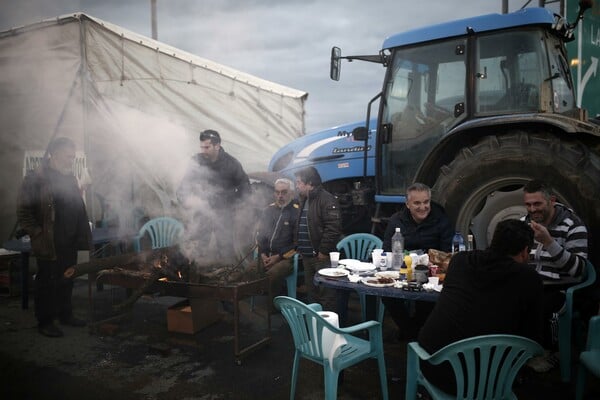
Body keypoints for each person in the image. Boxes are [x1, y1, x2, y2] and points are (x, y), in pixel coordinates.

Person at [417, 219, 544, 395]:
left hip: (435, 367)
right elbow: (534, 336)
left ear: (494, 242)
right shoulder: (529, 278)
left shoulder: (459, 261)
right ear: (524, 252)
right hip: (492, 380)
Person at [16, 137, 92, 337]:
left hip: (70, 240)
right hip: (49, 241)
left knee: (67, 279)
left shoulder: (69, 177)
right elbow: (24, 212)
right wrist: (37, 233)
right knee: (47, 282)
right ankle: (45, 321)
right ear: (55, 154)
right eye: (68, 157)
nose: (71, 161)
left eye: (73, 157)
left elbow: (75, 205)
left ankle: (65, 314)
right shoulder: (36, 179)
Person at [521, 179, 589, 372]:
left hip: (561, 287)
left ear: (551, 200)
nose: (532, 209)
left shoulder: (573, 226)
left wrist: (549, 243)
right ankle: (518, 349)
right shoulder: (524, 222)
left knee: (541, 305)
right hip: (531, 283)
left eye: (537, 204)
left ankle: (552, 353)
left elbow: (579, 270)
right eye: (528, 204)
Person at [381, 182, 454, 337]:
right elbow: (387, 248)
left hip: (431, 273)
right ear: (407, 204)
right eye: (417, 203)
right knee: (386, 293)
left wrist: (431, 262)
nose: (423, 207)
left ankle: (412, 331)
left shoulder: (441, 219)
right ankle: (410, 330)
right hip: (402, 270)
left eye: (426, 202)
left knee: (427, 300)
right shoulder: (396, 220)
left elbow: (447, 252)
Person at [177, 129, 250, 260]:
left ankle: (226, 273)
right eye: (201, 147)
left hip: (224, 213)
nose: (203, 150)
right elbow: (184, 185)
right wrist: (186, 200)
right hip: (202, 212)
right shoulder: (196, 161)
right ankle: (194, 274)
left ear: (217, 146)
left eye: (207, 147)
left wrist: (235, 203)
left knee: (225, 247)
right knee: (197, 246)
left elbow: (245, 186)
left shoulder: (231, 163)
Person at [294, 167, 342, 311]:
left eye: (298, 182)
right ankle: (314, 326)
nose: (296, 185)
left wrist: (323, 251)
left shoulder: (327, 199)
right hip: (308, 256)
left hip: (320, 257)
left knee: (326, 295)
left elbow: (333, 228)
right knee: (312, 294)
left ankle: (328, 328)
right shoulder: (304, 199)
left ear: (309, 183)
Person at [254, 178, 299, 300]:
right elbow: (260, 235)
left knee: (272, 274)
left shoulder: (297, 212)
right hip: (266, 255)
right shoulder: (268, 210)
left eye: (284, 192)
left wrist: (278, 256)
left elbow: (297, 242)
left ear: (291, 193)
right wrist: (263, 254)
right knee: (249, 271)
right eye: (277, 192)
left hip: (287, 258)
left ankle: (273, 306)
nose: (280, 196)